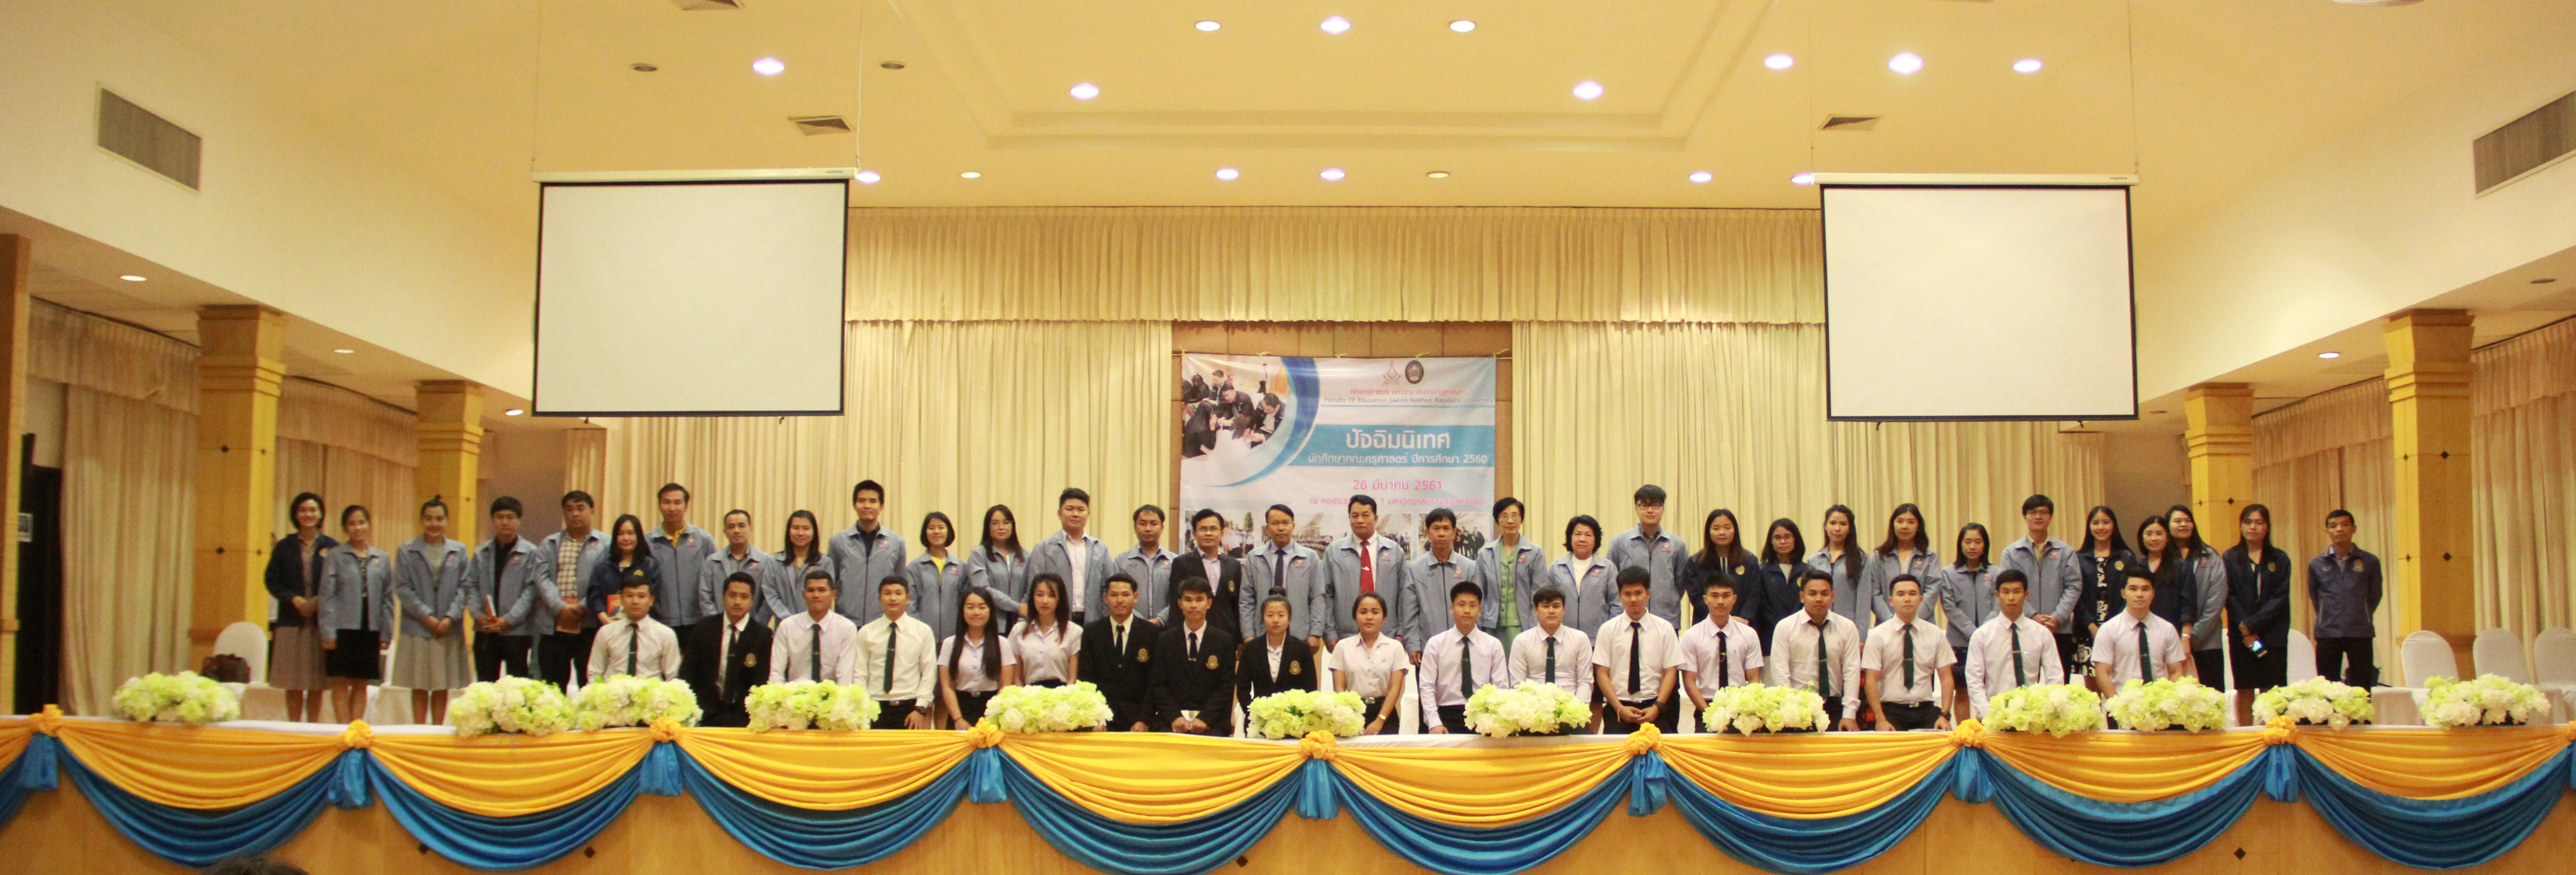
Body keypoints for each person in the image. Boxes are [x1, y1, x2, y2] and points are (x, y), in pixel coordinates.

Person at [391, 498, 472, 726]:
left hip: (448, 627)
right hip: (418, 625)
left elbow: (466, 586)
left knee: (441, 683)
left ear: (447, 521)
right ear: (421, 520)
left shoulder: (459, 551)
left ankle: (437, 730)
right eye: (429, 519)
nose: (434, 524)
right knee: (419, 682)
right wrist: (426, 616)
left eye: (439, 519)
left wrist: (450, 617)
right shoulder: (407, 550)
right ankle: (419, 730)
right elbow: (403, 588)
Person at [262, 492, 335, 722]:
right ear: (295, 515)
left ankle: (313, 729)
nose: (308, 514)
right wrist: (294, 599)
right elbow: (271, 580)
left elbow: (340, 584)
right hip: (290, 620)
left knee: (316, 682)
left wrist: (318, 601)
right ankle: (294, 727)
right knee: (292, 682)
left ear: (321, 514)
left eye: (313, 510)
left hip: (321, 622)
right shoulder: (284, 546)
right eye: (303, 510)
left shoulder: (332, 547)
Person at [317, 504, 393, 724]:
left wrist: (386, 633)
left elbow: (388, 598)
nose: (358, 528)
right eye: (352, 524)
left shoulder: (381, 558)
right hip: (342, 627)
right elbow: (327, 595)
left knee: (361, 682)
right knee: (340, 681)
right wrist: (327, 632)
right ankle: (342, 729)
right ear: (345, 528)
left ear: (369, 525)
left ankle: (355, 728)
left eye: (362, 523)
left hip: (370, 627)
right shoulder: (335, 556)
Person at [1999, 495, 2081, 686]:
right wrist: (2033, 616)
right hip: (2024, 627)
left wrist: (2058, 618)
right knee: (2025, 684)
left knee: (2060, 685)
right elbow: (2009, 589)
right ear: (2025, 517)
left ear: (2051, 517)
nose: (2038, 517)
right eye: (2033, 512)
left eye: (2043, 512)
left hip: (2060, 629)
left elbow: (2074, 586)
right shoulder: (2011, 553)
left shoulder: (2066, 552)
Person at [534, 491, 610, 692]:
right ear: (564, 513)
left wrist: (582, 606)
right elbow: (541, 578)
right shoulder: (549, 544)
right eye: (569, 509)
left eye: (580, 508)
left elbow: (605, 580)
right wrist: (560, 607)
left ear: (592, 510)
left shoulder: (606, 544)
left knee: (590, 686)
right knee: (552, 687)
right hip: (555, 624)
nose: (575, 514)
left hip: (590, 624)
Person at [469, 497, 551, 682]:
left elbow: (531, 591)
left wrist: (509, 620)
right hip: (486, 630)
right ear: (492, 520)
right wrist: (478, 615)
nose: (505, 522)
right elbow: (470, 586)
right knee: (485, 687)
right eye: (499, 517)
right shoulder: (481, 553)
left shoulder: (531, 553)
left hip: (517, 631)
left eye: (510, 517)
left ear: (519, 520)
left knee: (517, 688)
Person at [1771, 570, 1863, 731]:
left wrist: (1849, 714)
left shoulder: (1847, 628)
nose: (1819, 599)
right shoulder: (1785, 628)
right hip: (1798, 706)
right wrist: (1791, 709)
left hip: (1834, 706)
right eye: (1812, 594)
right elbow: (1780, 674)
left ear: (1833, 597)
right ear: (1802, 597)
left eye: (1824, 594)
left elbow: (1852, 671)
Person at [1964, 570, 2064, 720]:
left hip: (2033, 717)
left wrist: (2047, 711)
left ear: (2026, 595)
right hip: (1994, 715)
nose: (2011, 598)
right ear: (1997, 595)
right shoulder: (1982, 635)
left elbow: (2055, 677)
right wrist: (1988, 714)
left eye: (2017, 592)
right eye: (2006, 592)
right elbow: (1974, 680)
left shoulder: (2042, 634)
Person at [1593, 568, 1683, 733]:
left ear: (1648, 594)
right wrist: (1619, 708)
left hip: (1655, 708)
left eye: (1638, 593)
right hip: (1618, 708)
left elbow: (1671, 672)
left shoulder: (1665, 629)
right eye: (1627, 594)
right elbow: (1602, 673)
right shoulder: (1608, 630)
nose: (1633, 599)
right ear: (1620, 596)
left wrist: (1657, 707)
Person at [1862, 576, 1955, 731]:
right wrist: (1880, 719)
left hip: (1927, 710)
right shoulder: (1878, 635)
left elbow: (1946, 678)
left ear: (1921, 599)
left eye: (1913, 594)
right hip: (1891, 711)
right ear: (1891, 601)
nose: (1907, 599)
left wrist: (1945, 715)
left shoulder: (1935, 633)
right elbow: (1871, 680)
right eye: (1901, 594)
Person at [2091, 565, 2193, 705]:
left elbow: (2176, 671)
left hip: (2160, 706)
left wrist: (2168, 701)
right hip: (2122, 705)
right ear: (2123, 593)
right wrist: (2117, 705)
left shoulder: (2167, 629)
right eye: (2133, 589)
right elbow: (2102, 673)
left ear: (2153, 594)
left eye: (2145, 589)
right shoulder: (2108, 630)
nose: (2140, 594)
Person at [681, 573, 771, 728]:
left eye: (744, 597)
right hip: (705, 712)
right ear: (724, 597)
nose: (737, 602)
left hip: (746, 715)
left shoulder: (763, 635)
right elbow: (688, 673)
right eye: (732, 595)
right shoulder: (704, 629)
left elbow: (762, 681)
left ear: (752, 601)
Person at [2309, 510, 2384, 688]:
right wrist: (2327, 616)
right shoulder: (2317, 564)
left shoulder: (2370, 561)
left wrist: (2362, 613)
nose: (2339, 529)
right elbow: (2315, 596)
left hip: (2360, 632)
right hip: (2328, 632)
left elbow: (2375, 595)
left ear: (2354, 529)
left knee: (2362, 690)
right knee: (2327, 688)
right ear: (2327, 531)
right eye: (2334, 526)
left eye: (2345, 525)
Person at [1152, 578, 1237, 736]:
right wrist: (1175, 717)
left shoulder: (1223, 641)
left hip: (1212, 723)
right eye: (1188, 600)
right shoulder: (1165, 640)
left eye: (1199, 600)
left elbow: (1226, 686)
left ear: (1209, 603)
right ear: (1180, 604)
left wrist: (1205, 719)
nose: (1193, 605)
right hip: (1172, 721)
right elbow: (1159, 685)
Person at [1319, 495, 1408, 646]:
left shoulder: (1394, 551)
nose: (1360, 520)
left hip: (1388, 636)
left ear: (1376, 518)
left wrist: (1401, 632)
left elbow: (1404, 595)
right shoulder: (1334, 552)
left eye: (1365, 515)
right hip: (1345, 637)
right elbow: (1326, 594)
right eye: (1355, 516)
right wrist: (1330, 633)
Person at [1420, 582, 1508, 734]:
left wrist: (1498, 720)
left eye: (1472, 606)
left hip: (1483, 716)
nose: (1467, 610)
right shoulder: (1436, 644)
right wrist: (1434, 723)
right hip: (1446, 715)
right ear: (1452, 608)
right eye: (1461, 605)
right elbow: (1427, 686)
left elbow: (1502, 687)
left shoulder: (1493, 645)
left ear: (1480, 610)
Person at [2225, 504, 2293, 697]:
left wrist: (2253, 624)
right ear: (2241, 527)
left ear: (2267, 527)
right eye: (2248, 522)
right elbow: (2229, 595)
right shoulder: (2231, 557)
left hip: (2272, 635)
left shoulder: (2280, 558)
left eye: (2259, 523)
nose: (2253, 527)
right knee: (2244, 689)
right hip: (2242, 637)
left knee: (2273, 692)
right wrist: (2246, 629)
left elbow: (2280, 597)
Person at [855, 574, 939, 729]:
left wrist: (920, 708)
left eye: (898, 593)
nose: (893, 598)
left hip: (909, 707)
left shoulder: (922, 631)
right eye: (887, 593)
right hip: (874, 707)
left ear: (908, 598)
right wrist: (863, 707)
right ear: (879, 599)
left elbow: (929, 673)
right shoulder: (866, 632)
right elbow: (860, 673)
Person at [1400, 508, 1485, 659]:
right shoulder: (1415, 569)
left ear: (1454, 533)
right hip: (1427, 648)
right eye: (1436, 528)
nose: (1441, 534)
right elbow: (1409, 611)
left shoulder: (1469, 567)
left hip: (1465, 646)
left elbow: (1477, 608)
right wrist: (1413, 645)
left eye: (1446, 529)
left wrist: (1475, 641)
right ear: (1427, 532)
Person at [1677, 577, 1765, 723]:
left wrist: (1746, 710)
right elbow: (1689, 682)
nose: (1720, 602)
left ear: (1734, 599)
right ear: (1705, 599)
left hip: (1741, 706)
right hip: (1706, 705)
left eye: (1726, 596)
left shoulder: (1749, 634)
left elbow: (1754, 678)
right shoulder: (1692, 636)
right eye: (1715, 596)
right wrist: (1708, 713)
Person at [1933, 523, 1997, 717]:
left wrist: (1984, 632)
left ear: (1985, 545)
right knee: (1962, 690)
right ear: (1960, 545)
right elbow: (1949, 607)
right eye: (1968, 542)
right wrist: (1974, 632)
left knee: (1989, 689)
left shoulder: (1996, 573)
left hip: (1991, 640)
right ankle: (1965, 731)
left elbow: (1998, 605)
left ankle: (1987, 729)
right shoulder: (1949, 573)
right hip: (1959, 642)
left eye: (1978, 542)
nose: (1972, 547)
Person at [1605, 485, 1690, 627]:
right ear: (1636, 508)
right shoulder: (1620, 543)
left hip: (1667, 619)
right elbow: (1612, 581)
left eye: (1656, 505)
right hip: (1628, 619)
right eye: (1644, 505)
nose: (1650, 511)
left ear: (1663, 508)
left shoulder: (1677, 544)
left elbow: (1680, 584)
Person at [1079, 574, 1156, 731]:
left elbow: (1155, 682)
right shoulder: (1092, 632)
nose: (1120, 600)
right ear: (1105, 598)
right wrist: (1094, 718)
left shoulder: (1152, 633)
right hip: (1102, 719)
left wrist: (1145, 720)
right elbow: (1085, 679)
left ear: (1135, 597)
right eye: (1114, 595)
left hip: (1138, 720)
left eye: (1126, 595)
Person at [1246, 504, 1325, 653]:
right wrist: (1248, 634)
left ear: (1293, 526)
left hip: (1299, 634)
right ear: (1267, 528)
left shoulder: (1310, 557)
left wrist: (1315, 633)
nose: (1281, 528)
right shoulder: (1254, 558)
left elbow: (1318, 597)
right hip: (1262, 635)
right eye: (1275, 523)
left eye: (1286, 523)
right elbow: (1246, 600)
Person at [1027, 488, 1113, 626]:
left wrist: (1103, 616)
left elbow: (1108, 588)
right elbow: (1034, 587)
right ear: (1059, 513)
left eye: (1081, 510)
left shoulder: (1100, 548)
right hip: (1055, 621)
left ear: (1088, 514)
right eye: (1070, 509)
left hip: (1094, 621)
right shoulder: (1044, 548)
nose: (1075, 514)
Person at [2168, 505, 2229, 690]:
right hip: (2170, 643)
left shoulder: (2210, 556)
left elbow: (2217, 598)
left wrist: (2191, 637)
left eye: (2188, 521)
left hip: (2208, 641)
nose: (2183, 525)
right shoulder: (2162, 558)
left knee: (2211, 696)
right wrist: (2177, 640)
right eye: (2177, 521)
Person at [938, 588, 1019, 728]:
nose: (976, 612)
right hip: (960, 709)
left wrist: (992, 717)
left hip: (992, 709)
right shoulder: (950, 644)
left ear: (990, 611)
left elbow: (1005, 686)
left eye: (982, 607)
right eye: (970, 607)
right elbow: (947, 687)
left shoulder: (1002, 644)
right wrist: (958, 719)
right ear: (963, 611)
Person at [830, 481, 907, 624]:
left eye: (873, 501)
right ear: (855, 505)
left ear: (882, 506)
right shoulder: (838, 542)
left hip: (883, 622)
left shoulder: (897, 543)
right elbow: (831, 584)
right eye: (861, 501)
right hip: (846, 622)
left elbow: (901, 584)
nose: (867, 506)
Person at [1509, 586, 1595, 714]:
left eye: (1556, 606)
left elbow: (1585, 681)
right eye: (1545, 606)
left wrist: (1575, 711)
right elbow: (1518, 684)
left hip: (1570, 708)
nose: (1551, 611)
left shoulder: (1580, 639)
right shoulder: (1522, 641)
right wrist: (1530, 711)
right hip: (1533, 711)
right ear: (1536, 610)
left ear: (1564, 610)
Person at [1332, 593, 1409, 735]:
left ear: (1384, 618)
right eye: (1363, 612)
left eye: (1375, 612)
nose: (1369, 617)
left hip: (1385, 714)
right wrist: (1353, 719)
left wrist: (1380, 720)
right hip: (1351, 714)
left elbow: (1395, 689)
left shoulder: (1395, 647)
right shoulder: (1342, 647)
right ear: (1355, 617)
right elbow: (1339, 688)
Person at [2068, 507, 2134, 672]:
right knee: (2091, 679)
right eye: (2096, 523)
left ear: (2114, 526)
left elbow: (2131, 592)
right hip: (2086, 630)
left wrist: (2114, 626)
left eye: (2106, 522)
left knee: (2120, 676)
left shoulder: (2126, 557)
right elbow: (2075, 595)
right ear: (2089, 527)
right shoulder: (2078, 558)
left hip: (2121, 630)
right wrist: (2092, 626)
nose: (2101, 527)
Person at [1477, 497, 1548, 652]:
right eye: (1504, 516)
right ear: (1497, 521)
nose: (1510, 521)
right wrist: (1479, 622)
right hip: (1491, 625)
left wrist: (1535, 625)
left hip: (1523, 625)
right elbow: (1479, 592)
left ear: (1521, 520)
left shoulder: (1535, 552)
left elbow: (1540, 593)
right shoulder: (1485, 553)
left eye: (1515, 516)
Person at [648, 483, 718, 635]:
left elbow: (714, 580)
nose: (672, 508)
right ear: (659, 506)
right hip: (660, 623)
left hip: (698, 621)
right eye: (667, 502)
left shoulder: (704, 540)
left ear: (686, 506)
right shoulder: (648, 542)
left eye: (677, 502)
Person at [770, 569, 860, 684]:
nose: (816, 595)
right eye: (811, 591)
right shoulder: (787, 626)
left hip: (832, 693)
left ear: (834, 595)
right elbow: (776, 673)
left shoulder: (846, 628)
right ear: (804, 595)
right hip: (795, 693)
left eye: (822, 590)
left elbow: (845, 676)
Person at [589, 570, 682, 681]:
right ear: (621, 599)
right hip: (614, 690)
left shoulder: (666, 634)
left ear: (651, 600)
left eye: (641, 596)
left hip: (651, 691)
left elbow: (673, 676)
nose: (635, 601)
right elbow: (594, 673)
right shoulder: (606, 632)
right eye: (629, 596)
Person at [1237, 596, 1321, 715]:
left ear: (1289, 619)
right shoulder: (1250, 649)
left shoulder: (1302, 649)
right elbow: (1242, 689)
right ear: (1263, 619)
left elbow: (1310, 689)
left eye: (1281, 615)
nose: (1275, 620)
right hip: (1259, 717)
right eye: (1270, 615)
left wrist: (1298, 715)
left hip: (1293, 718)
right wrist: (1254, 713)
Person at [1688, 509, 1761, 644]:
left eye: (1727, 528)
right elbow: (1697, 598)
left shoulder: (1750, 561)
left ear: (1735, 531)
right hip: (1706, 628)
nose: (1722, 532)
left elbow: (1755, 595)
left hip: (1744, 627)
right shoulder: (1696, 562)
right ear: (1709, 532)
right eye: (1716, 528)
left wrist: (1740, 620)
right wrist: (1722, 619)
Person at [1862, 504, 1939, 629]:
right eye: (1900, 521)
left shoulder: (1930, 557)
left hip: (1922, 625)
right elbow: (1874, 592)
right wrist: (1892, 621)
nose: (1905, 526)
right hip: (1887, 626)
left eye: (1911, 522)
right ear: (1893, 525)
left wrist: (1913, 619)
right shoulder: (1880, 556)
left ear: (1918, 526)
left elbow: (1932, 591)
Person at [1547, 515, 1618, 643]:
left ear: (1596, 540)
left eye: (1588, 535)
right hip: (1563, 640)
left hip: (1598, 640)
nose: (1582, 539)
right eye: (1578, 534)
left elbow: (1617, 605)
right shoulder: (1556, 568)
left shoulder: (1608, 568)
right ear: (1570, 538)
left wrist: (1611, 634)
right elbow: (1547, 603)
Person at [1179, 508, 1245, 640]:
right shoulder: (1181, 563)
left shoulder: (1233, 565)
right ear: (1194, 534)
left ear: (1222, 534)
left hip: (1228, 635)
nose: (1208, 533)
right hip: (1193, 635)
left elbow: (1237, 605)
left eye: (1213, 529)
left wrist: (1240, 639)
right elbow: (1177, 606)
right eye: (1203, 529)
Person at [586, 515, 659, 633]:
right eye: (621, 534)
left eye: (631, 533)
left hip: (641, 629)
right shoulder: (603, 566)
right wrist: (606, 621)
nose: (626, 538)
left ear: (639, 536)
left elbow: (654, 597)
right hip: (608, 628)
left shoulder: (650, 565)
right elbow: (594, 597)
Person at [703, 510, 773, 631]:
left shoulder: (766, 562)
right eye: (731, 527)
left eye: (741, 526)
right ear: (725, 532)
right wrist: (716, 625)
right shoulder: (712, 562)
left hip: (753, 630)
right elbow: (705, 597)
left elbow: (769, 599)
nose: (737, 531)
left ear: (751, 528)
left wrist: (754, 627)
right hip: (719, 629)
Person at [1112, 505, 1181, 626]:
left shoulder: (1176, 561)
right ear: (1135, 527)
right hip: (1132, 627)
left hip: (1167, 628)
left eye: (1154, 524)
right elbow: (1117, 597)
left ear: (1162, 528)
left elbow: (1180, 597)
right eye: (1143, 524)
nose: (1148, 529)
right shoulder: (1121, 562)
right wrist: (1140, 622)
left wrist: (1160, 620)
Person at [906, 512, 968, 644]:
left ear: (948, 531)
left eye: (941, 527)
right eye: (931, 528)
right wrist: (918, 631)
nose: (936, 532)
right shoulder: (915, 567)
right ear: (925, 533)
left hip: (954, 636)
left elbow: (966, 603)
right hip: (922, 637)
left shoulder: (961, 567)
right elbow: (910, 604)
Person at [1749, 519, 1809, 652]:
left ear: (1796, 539)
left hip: (1802, 637)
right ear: (1771, 542)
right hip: (1769, 638)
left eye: (1787, 537)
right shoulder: (1761, 572)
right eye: (1778, 538)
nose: (1783, 542)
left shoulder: (1807, 572)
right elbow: (1760, 606)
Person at [969, 505, 1033, 629]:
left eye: (1006, 523)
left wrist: (1022, 617)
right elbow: (983, 589)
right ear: (988, 527)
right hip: (991, 622)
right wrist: (1016, 607)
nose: (1001, 527)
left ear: (1012, 526)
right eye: (995, 523)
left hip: (1021, 622)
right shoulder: (978, 554)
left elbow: (1031, 588)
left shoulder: (1027, 556)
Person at [1013, 574, 1079, 688]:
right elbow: (1017, 678)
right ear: (1032, 597)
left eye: (1051, 596)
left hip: (1063, 693)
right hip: (1029, 694)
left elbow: (1072, 679)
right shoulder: (1019, 631)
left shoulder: (1074, 631)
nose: (1045, 601)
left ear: (1060, 599)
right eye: (1040, 595)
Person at [1809, 505, 1869, 628]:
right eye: (1833, 523)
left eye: (1843, 524)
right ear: (1826, 527)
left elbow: (1864, 599)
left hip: (1849, 627)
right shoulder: (1814, 560)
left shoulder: (1861, 559)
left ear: (1850, 529)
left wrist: (1860, 633)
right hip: (1819, 625)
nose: (1837, 529)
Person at [770, 510, 829, 627]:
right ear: (789, 531)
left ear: (814, 532)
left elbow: (827, 596)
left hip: (815, 625)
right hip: (784, 626)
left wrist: (806, 621)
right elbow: (771, 595)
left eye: (806, 529)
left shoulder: (825, 563)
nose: (801, 533)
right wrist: (790, 621)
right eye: (796, 528)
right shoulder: (775, 562)